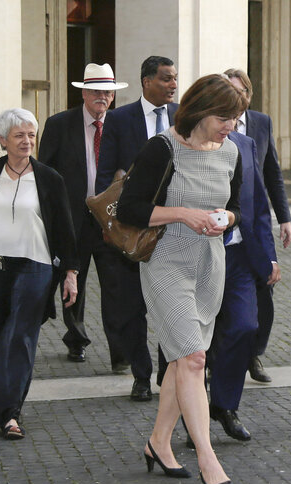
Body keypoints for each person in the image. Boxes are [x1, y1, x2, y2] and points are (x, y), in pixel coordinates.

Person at [116, 74, 246, 484]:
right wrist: (182, 214)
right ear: (201, 110)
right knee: (192, 358)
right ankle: (209, 460)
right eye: (225, 118)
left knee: (180, 359)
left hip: (211, 264)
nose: (231, 126)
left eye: (236, 118)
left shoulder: (231, 153)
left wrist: (228, 219)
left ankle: (157, 442)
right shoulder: (163, 148)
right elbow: (131, 209)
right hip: (166, 262)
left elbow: (237, 207)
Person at [0, 108, 79, 439]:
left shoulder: (49, 178)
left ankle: (9, 414)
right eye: (19, 135)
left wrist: (71, 273)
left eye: (31, 135)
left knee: (20, 334)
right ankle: (4, 405)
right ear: (3, 140)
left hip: (37, 264)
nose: (27, 141)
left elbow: (64, 227)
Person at [95, 55, 179, 402]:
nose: (173, 84)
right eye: (166, 79)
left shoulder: (182, 118)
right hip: (132, 229)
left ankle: (165, 372)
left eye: (175, 79)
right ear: (146, 81)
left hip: (173, 228)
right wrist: (108, 225)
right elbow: (105, 175)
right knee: (131, 309)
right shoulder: (119, 119)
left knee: (169, 306)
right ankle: (140, 375)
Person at [38, 62, 130, 372]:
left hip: (110, 222)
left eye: (107, 92)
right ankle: (76, 339)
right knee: (72, 282)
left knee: (115, 288)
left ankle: (120, 353)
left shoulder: (121, 125)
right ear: (84, 93)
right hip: (72, 219)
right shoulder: (59, 125)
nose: (102, 97)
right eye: (96, 91)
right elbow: (45, 173)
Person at [206, 128, 279, 441]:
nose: (232, 119)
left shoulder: (246, 143)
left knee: (246, 326)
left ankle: (224, 404)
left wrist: (269, 257)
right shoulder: (182, 141)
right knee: (192, 343)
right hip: (198, 254)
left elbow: (258, 203)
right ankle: (185, 414)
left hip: (238, 254)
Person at [223, 68, 291, 383]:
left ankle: (254, 355)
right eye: (228, 90)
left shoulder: (260, 124)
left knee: (264, 295)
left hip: (256, 223)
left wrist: (285, 217)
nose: (235, 98)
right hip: (224, 231)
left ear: (248, 95)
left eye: (240, 91)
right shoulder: (208, 130)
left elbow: (272, 172)